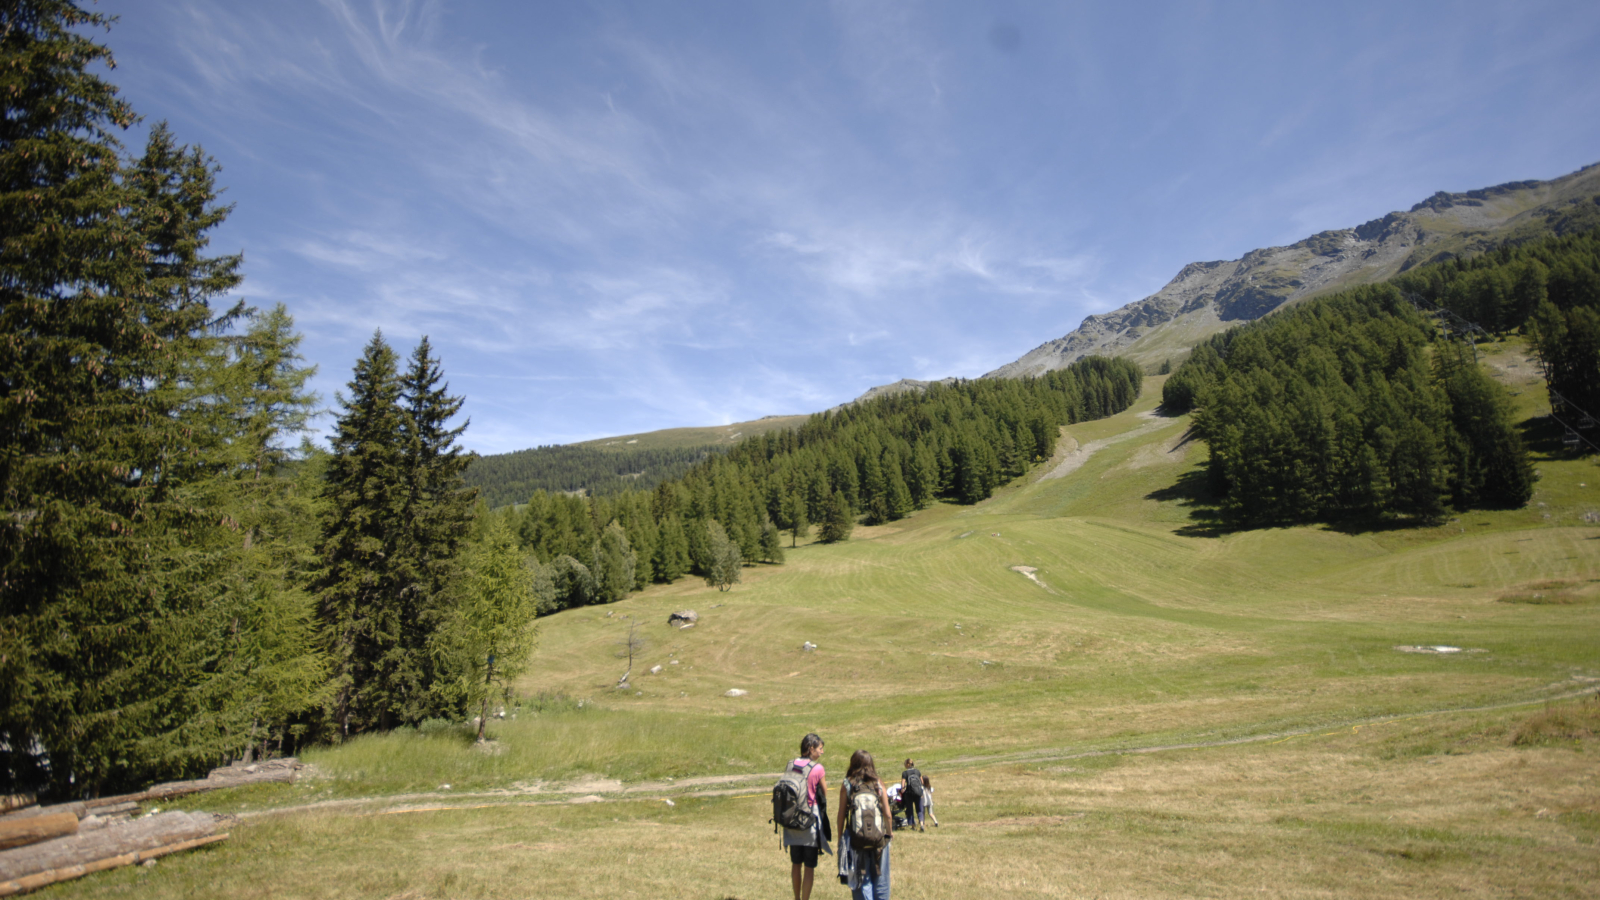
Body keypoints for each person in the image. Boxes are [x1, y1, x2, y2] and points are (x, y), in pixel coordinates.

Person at [836, 749, 892, 900]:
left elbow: (841, 814)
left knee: (861, 880)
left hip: (856, 839)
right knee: (882, 879)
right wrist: (889, 834)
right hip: (879, 838)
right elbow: (887, 814)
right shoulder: (878, 784)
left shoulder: (847, 784)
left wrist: (840, 836)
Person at [783, 733, 830, 900]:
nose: (821, 752)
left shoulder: (790, 764)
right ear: (810, 749)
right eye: (820, 748)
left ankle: (796, 898)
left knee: (796, 864)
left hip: (791, 820)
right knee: (809, 866)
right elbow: (824, 793)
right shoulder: (817, 768)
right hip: (809, 821)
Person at [900, 759, 929, 832]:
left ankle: (912, 825)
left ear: (907, 764)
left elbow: (903, 784)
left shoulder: (905, 773)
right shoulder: (917, 771)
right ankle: (922, 824)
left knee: (910, 809)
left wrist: (902, 789)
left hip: (909, 793)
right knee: (919, 809)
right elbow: (922, 782)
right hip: (918, 792)